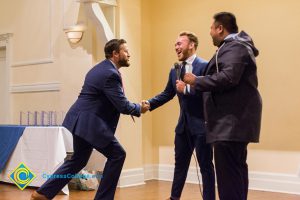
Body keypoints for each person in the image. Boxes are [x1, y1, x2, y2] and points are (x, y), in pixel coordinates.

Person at [30, 39, 150, 200]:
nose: (129, 54)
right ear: (115, 54)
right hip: (89, 123)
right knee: (118, 155)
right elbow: (122, 105)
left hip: (80, 120)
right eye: (126, 51)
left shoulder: (99, 69)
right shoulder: (111, 74)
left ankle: (42, 193)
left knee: (78, 160)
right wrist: (139, 108)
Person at [178, 12, 262, 200]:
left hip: (230, 123)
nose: (210, 33)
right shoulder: (234, 47)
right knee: (236, 171)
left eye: (211, 28)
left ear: (220, 28)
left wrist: (196, 81)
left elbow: (228, 77)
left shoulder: (235, 47)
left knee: (229, 176)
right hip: (232, 123)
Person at [144, 32, 215, 200]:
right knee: (180, 166)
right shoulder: (175, 70)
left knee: (206, 167)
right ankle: (174, 198)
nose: (176, 47)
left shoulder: (205, 66)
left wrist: (188, 89)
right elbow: (168, 93)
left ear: (191, 45)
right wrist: (149, 103)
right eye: (175, 44)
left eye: (179, 43)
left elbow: (210, 92)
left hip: (202, 126)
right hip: (183, 127)